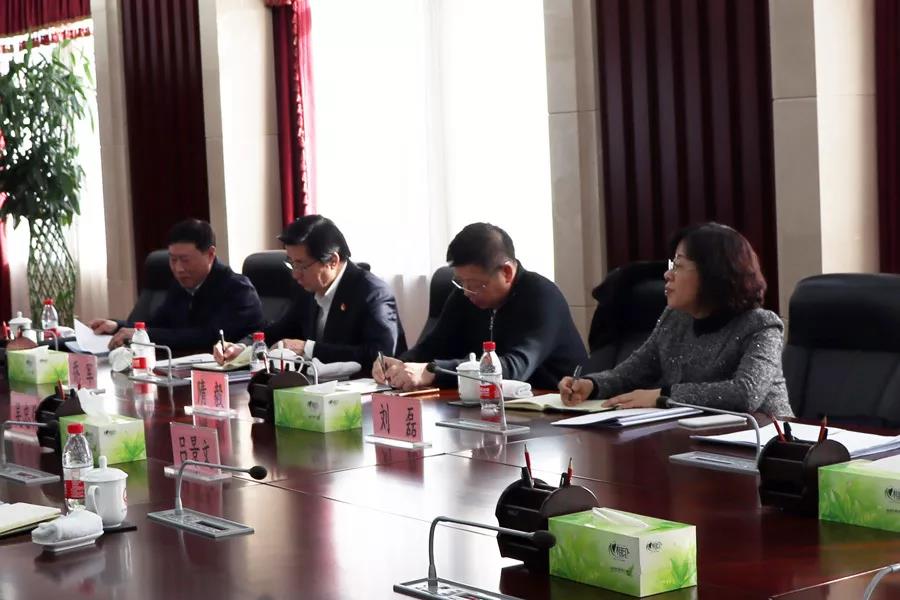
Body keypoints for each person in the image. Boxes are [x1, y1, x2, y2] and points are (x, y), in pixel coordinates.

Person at [559, 222, 793, 417]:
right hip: (696, 440)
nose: (667, 274)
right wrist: (591, 385)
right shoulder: (675, 318)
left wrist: (664, 395)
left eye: (679, 266)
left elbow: (745, 394)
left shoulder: (761, 325)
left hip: (768, 445)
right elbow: (630, 374)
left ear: (712, 274)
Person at [374, 222, 587, 391]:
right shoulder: (464, 295)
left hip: (555, 408)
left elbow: (515, 367)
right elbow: (433, 346)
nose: (467, 292)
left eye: (476, 285)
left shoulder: (542, 296)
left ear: (506, 272)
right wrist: (399, 364)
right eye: (461, 282)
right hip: (488, 405)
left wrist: (434, 371)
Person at [214, 215, 405, 371]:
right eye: (291, 263)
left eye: (302, 265)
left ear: (332, 261)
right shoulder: (307, 289)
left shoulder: (372, 293)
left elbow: (380, 355)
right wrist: (243, 347)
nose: (295, 274)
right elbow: (279, 330)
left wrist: (309, 349)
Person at [90, 219, 263, 350]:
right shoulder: (181, 286)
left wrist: (146, 335)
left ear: (210, 254)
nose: (178, 269)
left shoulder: (238, 290)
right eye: (173, 260)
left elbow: (209, 337)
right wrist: (117, 326)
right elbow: (158, 324)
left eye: (185, 260)